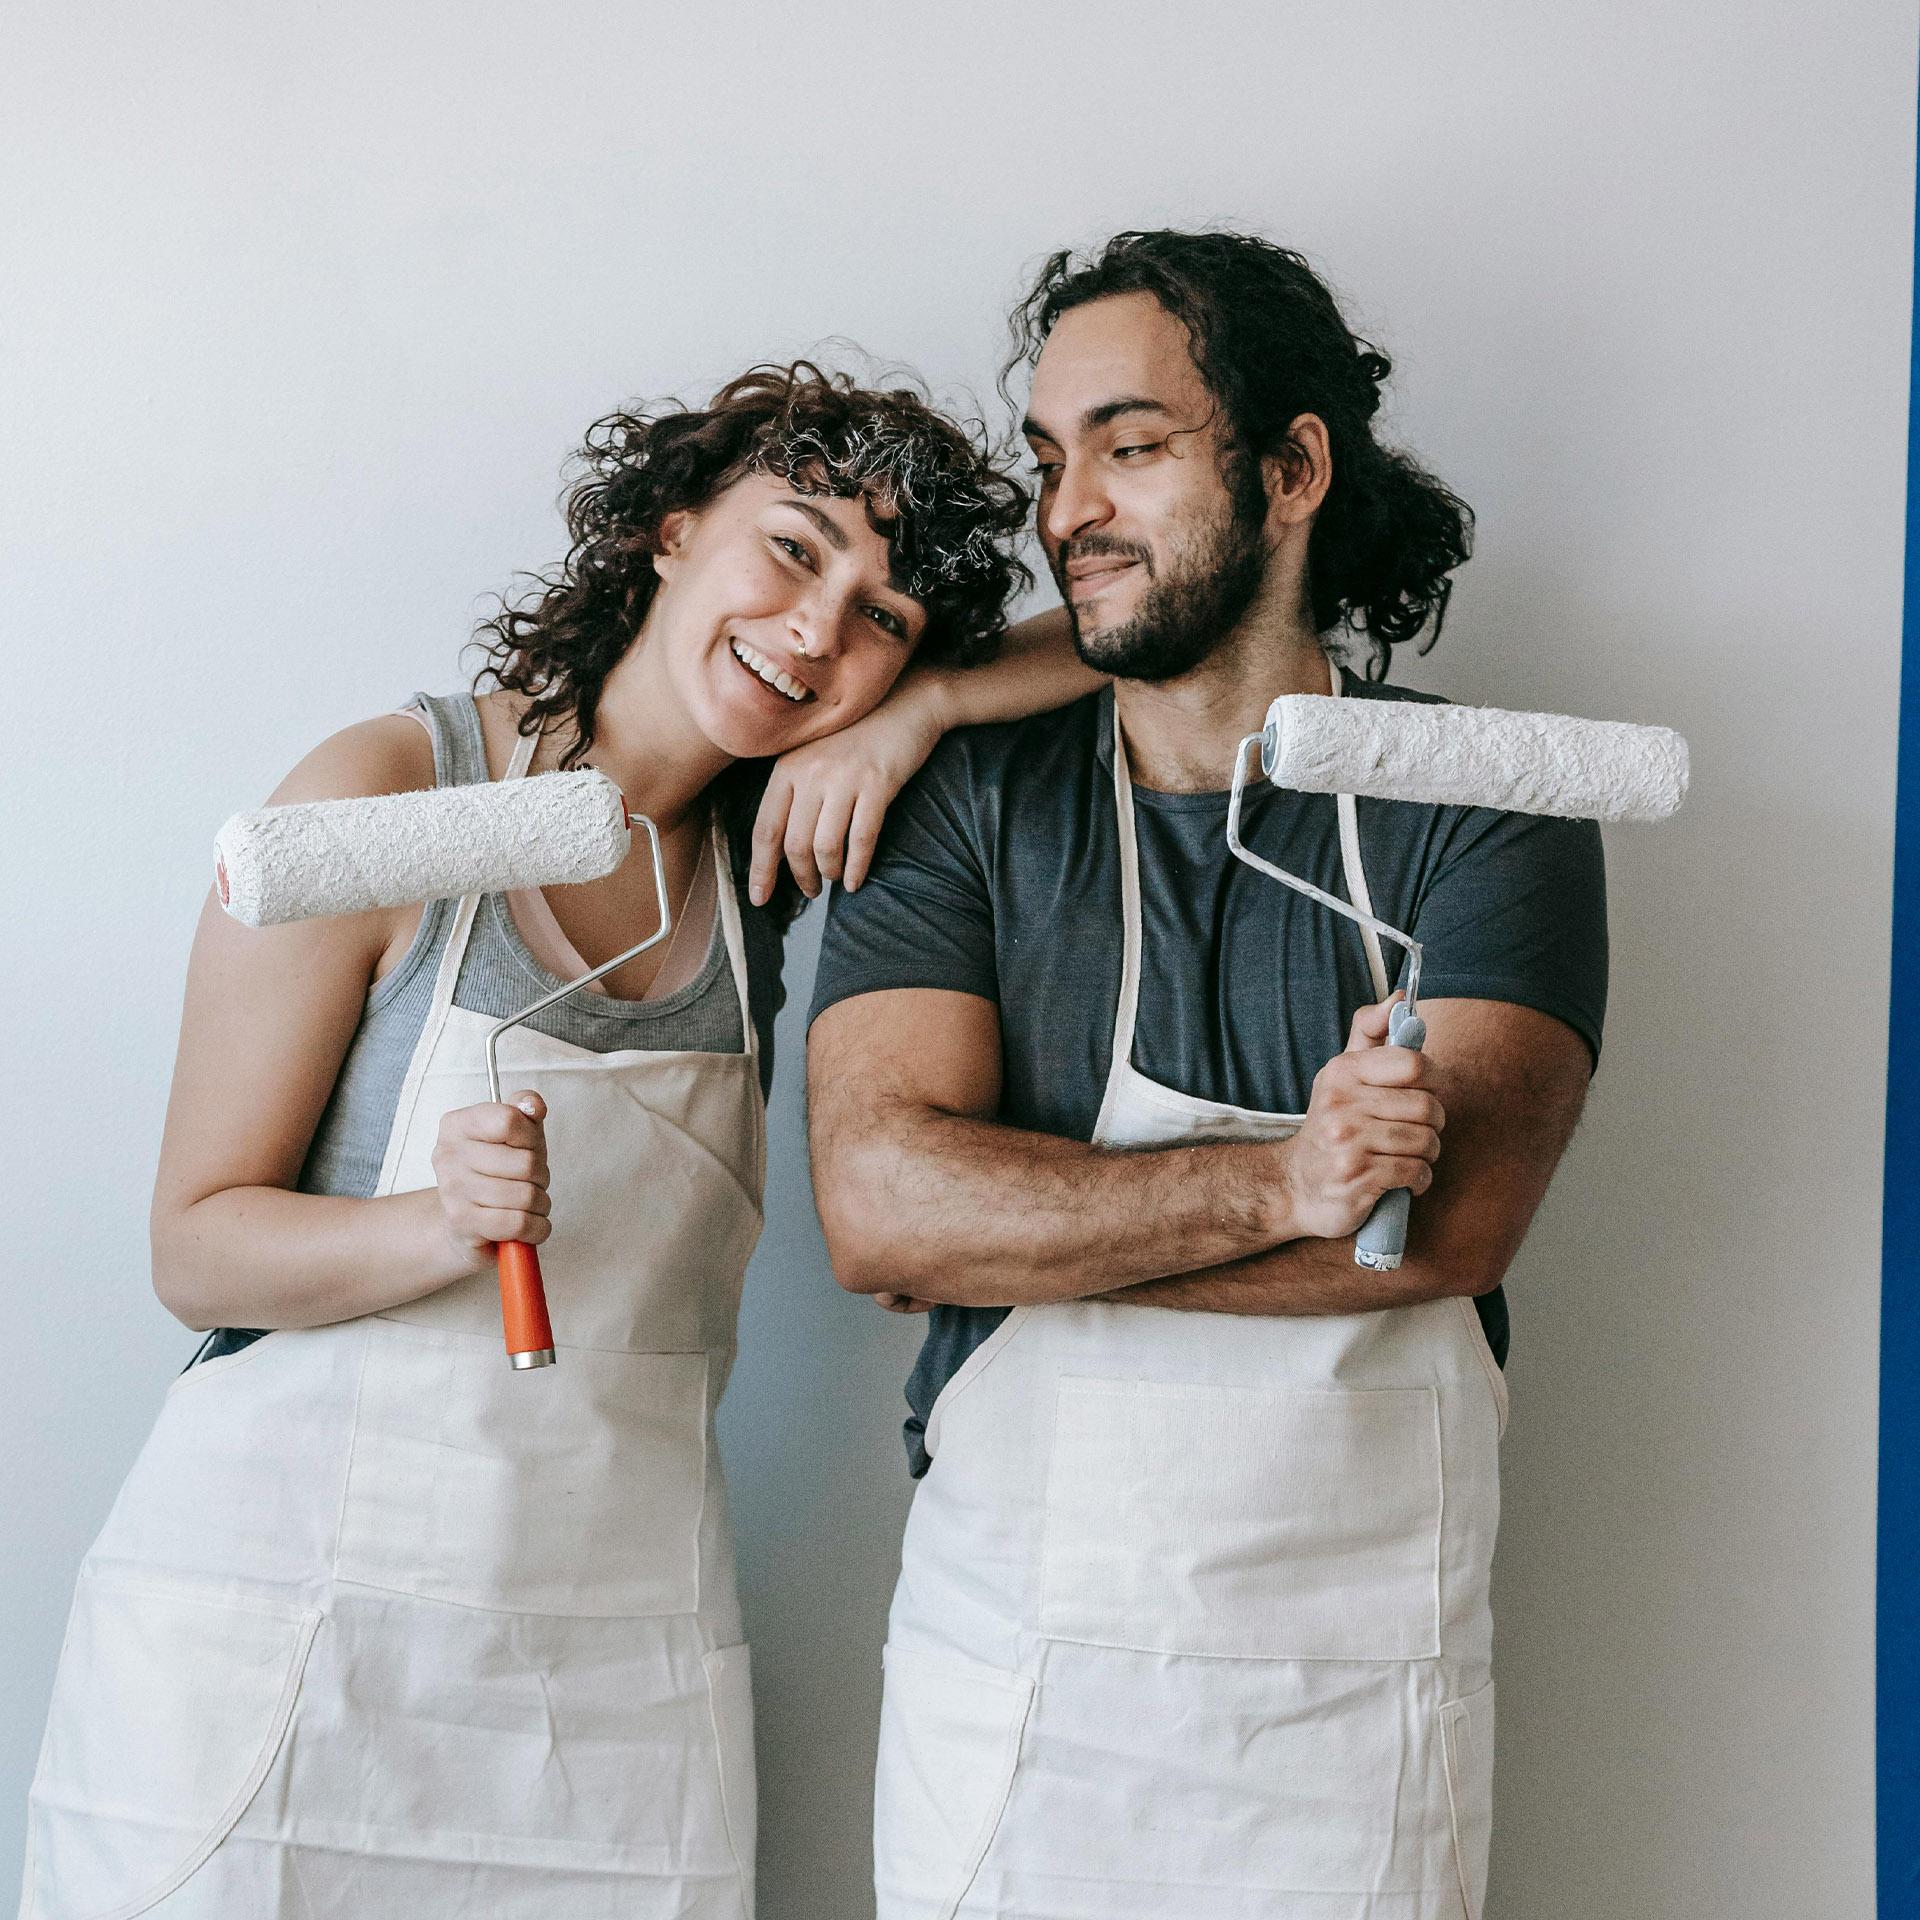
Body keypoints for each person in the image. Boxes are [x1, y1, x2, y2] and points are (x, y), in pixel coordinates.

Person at [18, 363, 1097, 1920]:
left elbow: (1129, 644)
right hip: (274, 1640)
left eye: (882, 618)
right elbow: (195, 1245)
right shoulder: (395, 791)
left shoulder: (769, 868)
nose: (817, 632)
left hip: (602, 1688)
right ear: (668, 530)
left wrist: (928, 701)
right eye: (793, 549)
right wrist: (429, 1227)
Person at [807, 232, 1608, 1918]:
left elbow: (1449, 1236)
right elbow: (882, 1213)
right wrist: (1283, 1186)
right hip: (1011, 1692)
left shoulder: (1487, 807)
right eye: (1050, 458)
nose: (1068, 506)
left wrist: (1031, 1229)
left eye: (1133, 443)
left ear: (1293, 467)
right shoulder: (958, 805)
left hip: (1356, 1714)